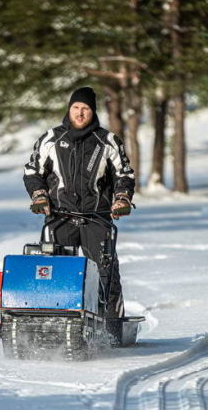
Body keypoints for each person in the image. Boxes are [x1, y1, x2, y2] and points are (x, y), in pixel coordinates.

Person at [23, 86, 135, 318]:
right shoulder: (51, 139)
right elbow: (32, 172)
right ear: (69, 109)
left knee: (106, 272)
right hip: (59, 217)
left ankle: (112, 323)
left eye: (85, 108)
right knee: (54, 271)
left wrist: (122, 198)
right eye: (76, 107)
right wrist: (39, 195)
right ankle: (54, 319)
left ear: (93, 112)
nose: (80, 113)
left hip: (97, 218)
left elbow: (124, 175)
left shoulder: (108, 141)